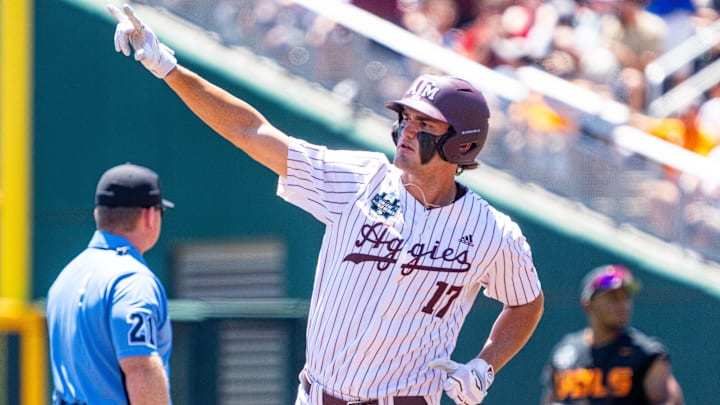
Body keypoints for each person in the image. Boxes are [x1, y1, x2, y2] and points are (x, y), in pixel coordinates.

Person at [108, 4, 544, 404]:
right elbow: (252, 131)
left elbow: (526, 302)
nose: (407, 130)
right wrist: (169, 69)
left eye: (424, 122)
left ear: (462, 144)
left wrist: (485, 365)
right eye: (405, 118)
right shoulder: (360, 179)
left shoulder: (491, 231)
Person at [46, 163, 174, 405]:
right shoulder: (132, 281)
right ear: (150, 216)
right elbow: (141, 368)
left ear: (98, 214)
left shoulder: (64, 278)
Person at [540, 264, 684, 404]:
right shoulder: (565, 352)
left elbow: (670, 401)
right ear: (588, 304)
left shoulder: (644, 354)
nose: (623, 304)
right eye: (613, 297)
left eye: (626, 297)